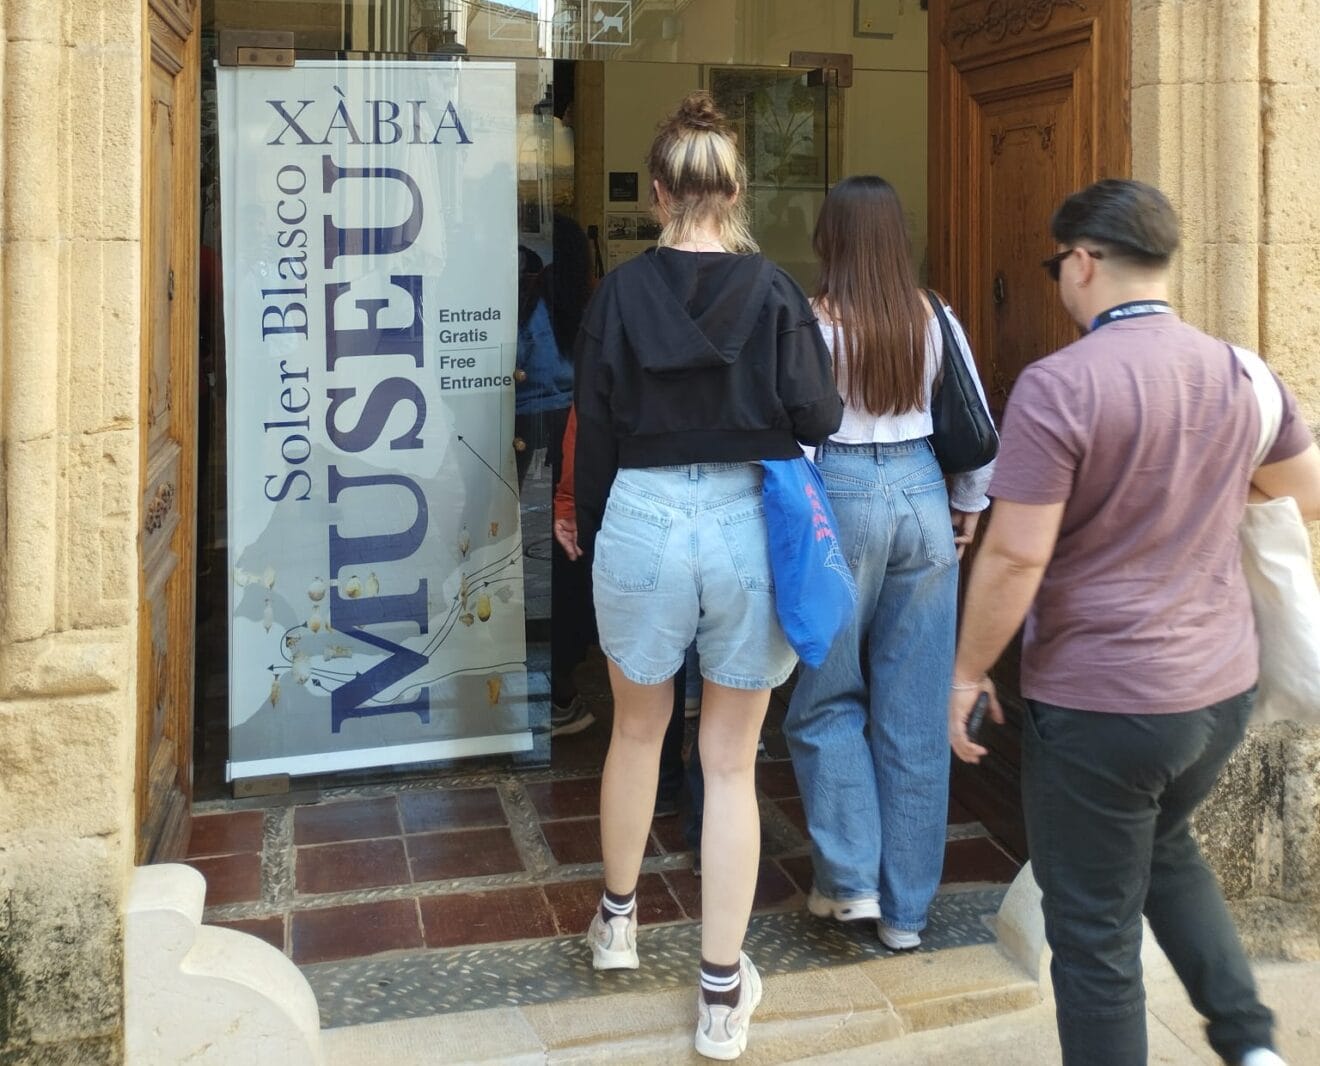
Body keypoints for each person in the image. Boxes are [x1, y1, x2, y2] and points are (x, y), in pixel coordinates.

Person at [948, 179, 1320, 1066]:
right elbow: (1305, 494)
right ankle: (1251, 1045)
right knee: (1167, 849)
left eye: (1057, 266)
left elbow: (1013, 556)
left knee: (1094, 940)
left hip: (1102, 701)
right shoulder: (1242, 372)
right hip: (1219, 691)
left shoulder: (1060, 384)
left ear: (1082, 262)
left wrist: (966, 671)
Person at [562, 91, 842, 1060]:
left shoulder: (620, 294)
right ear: (734, 190)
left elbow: (593, 429)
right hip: (743, 520)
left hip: (639, 510)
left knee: (636, 735)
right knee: (728, 762)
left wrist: (595, 531)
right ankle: (721, 997)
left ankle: (617, 923)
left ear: (655, 191)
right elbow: (820, 416)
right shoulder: (772, 290)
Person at [782, 176, 995, 950]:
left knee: (824, 700)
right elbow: (971, 415)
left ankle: (853, 881)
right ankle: (907, 916)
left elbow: (799, 439)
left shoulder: (811, 325)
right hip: (921, 491)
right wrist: (969, 500)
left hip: (837, 488)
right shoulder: (934, 314)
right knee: (913, 714)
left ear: (829, 238)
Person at [514, 216, 597, 735]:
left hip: (528, 435)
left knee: (522, 563)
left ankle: (531, 689)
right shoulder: (584, 311)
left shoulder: (527, 307)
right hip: (576, 436)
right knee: (564, 565)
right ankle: (561, 686)